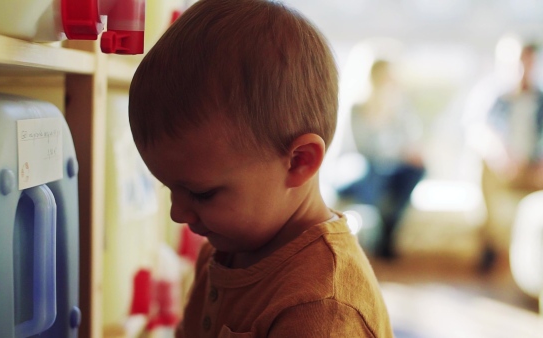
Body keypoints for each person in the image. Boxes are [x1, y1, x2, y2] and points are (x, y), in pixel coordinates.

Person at [128, 0, 393, 336]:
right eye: (168, 188)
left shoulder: (322, 307)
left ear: (299, 161)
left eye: (200, 193)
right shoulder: (224, 250)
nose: (178, 214)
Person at [337, 59, 425, 259]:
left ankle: (389, 226)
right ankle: (374, 232)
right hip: (358, 171)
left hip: (386, 168)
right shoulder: (357, 109)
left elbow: (409, 143)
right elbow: (362, 150)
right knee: (372, 170)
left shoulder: (397, 110)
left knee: (417, 169)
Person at [470, 42, 543, 271]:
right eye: (518, 62)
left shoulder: (540, 100)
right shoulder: (493, 97)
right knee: (481, 166)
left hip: (535, 169)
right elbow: (478, 130)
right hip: (504, 167)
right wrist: (499, 153)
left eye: (528, 62)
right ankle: (489, 246)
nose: (523, 69)